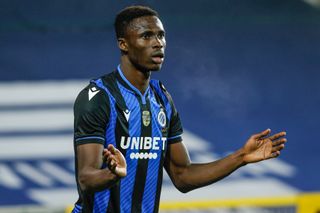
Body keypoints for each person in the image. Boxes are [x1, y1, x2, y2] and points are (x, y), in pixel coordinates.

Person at [71, 5, 287, 213]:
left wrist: (241, 157)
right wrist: (113, 175)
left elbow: (182, 175)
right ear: (123, 44)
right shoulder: (99, 97)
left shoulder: (162, 99)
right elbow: (86, 177)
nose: (158, 43)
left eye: (161, 35)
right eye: (146, 36)